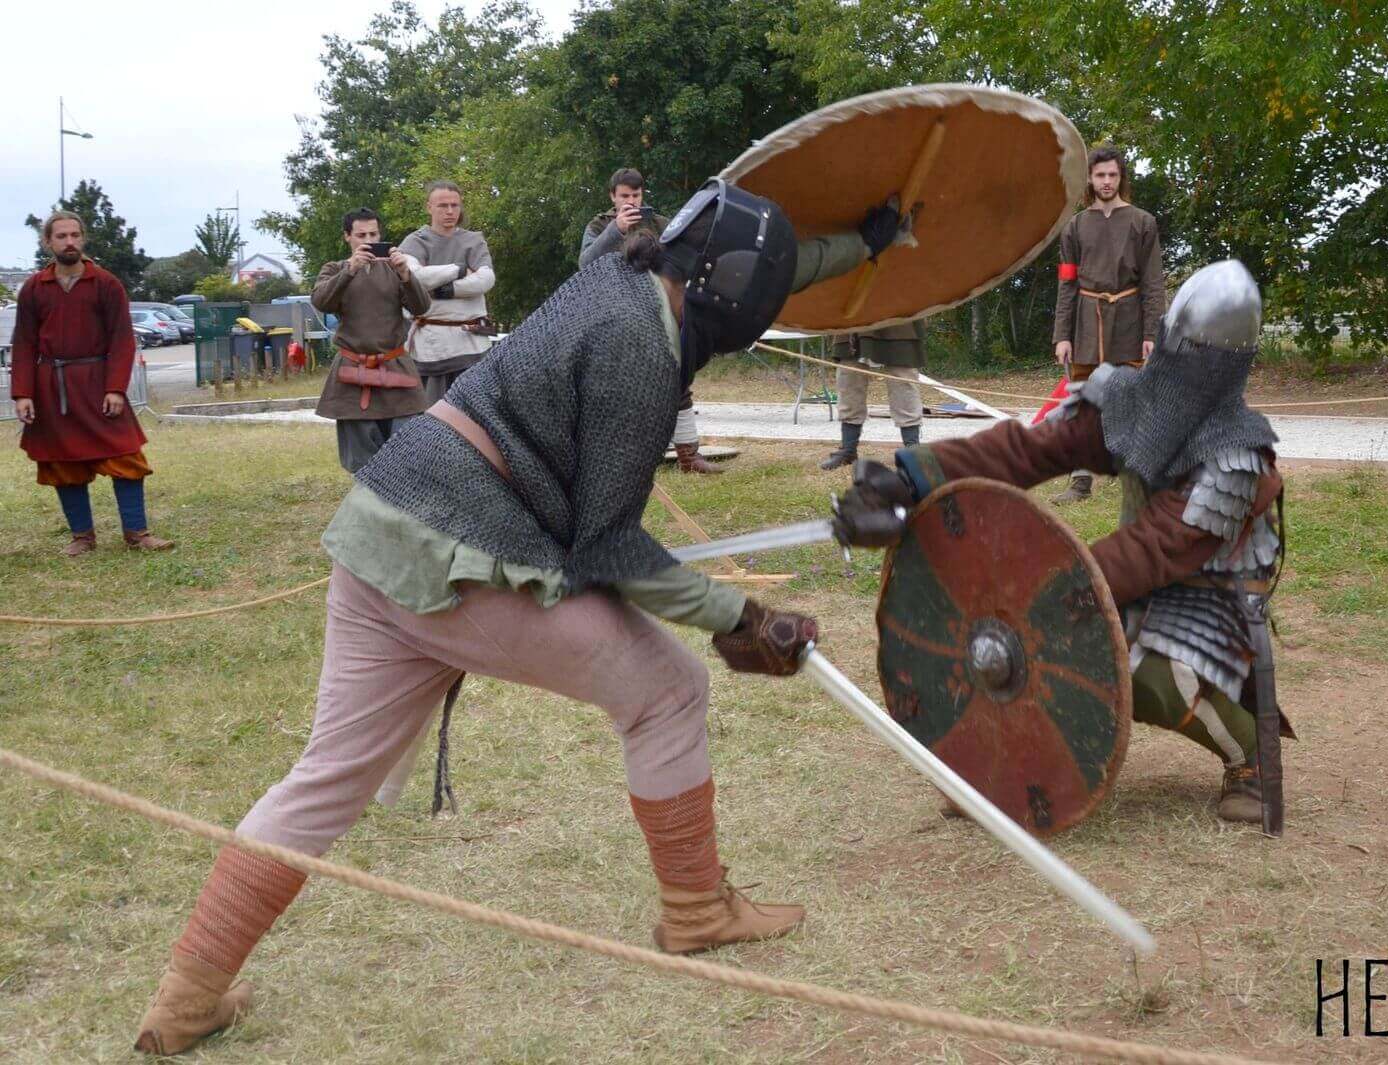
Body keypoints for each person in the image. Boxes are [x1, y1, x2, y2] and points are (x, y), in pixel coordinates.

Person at [132, 181, 902, 1056]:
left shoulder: (618, 269)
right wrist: (739, 615)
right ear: (727, 293)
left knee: (323, 780)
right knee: (670, 691)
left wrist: (865, 243)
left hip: (381, 530)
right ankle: (697, 910)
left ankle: (185, 998)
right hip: (466, 553)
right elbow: (607, 546)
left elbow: (767, 266)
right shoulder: (638, 347)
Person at [836, 260, 1286, 827]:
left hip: (1212, 597)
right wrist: (912, 480)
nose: (1190, 366)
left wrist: (1050, 589)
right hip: (1144, 578)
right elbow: (1030, 451)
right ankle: (1011, 770)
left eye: (1203, 357)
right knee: (1052, 627)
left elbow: (1155, 549)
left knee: (1122, 652)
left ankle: (1252, 757)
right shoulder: (1130, 402)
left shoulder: (1236, 458)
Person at [9, 210, 173, 556]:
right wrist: (23, 393)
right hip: (52, 388)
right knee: (63, 463)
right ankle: (82, 537)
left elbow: (122, 340)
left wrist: (115, 388)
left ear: (83, 238)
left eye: (74, 235)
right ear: (48, 242)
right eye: (61, 236)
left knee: (126, 457)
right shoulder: (35, 288)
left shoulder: (106, 284)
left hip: (98, 384)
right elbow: (23, 342)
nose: (69, 242)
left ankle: (137, 533)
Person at [581, 167, 723, 474]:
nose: (631, 201)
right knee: (622, 387)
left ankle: (689, 456)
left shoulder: (660, 223)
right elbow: (585, 263)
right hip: (617, 315)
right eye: (624, 195)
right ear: (613, 196)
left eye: (636, 194)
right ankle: (625, 460)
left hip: (661, 311)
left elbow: (687, 259)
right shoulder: (599, 225)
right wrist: (616, 230)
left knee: (678, 378)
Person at [1051, 144, 1165, 502]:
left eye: (1112, 175)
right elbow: (1067, 284)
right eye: (1100, 175)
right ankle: (1080, 482)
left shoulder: (1142, 222)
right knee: (1082, 403)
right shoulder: (1074, 227)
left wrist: (1151, 332)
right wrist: (1062, 335)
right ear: (1089, 178)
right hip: (1086, 322)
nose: (1106, 181)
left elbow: (1153, 282)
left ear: (1121, 177)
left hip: (1129, 320)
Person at [310, 208, 432, 474]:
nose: (368, 240)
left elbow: (422, 307)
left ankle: (402, 499)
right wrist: (350, 270)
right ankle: (369, 501)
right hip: (352, 374)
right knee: (362, 464)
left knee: (407, 455)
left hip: (396, 370)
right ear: (347, 236)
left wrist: (406, 275)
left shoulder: (394, 269)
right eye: (361, 235)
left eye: (373, 234)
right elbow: (321, 301)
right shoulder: (334, 269)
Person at [399, 180, 497, 401]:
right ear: (429, 207)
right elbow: (415, 277)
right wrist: (459, 269)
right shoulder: (415, 242)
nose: (450, 211)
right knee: (434, 413)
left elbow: (485, 280)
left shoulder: (473, 241)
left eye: (455, 205)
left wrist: (444, 291)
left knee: (475, 411)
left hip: (473, 345)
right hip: (432, 348)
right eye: (443, 205)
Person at [818, 322, 926, 471]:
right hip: (854, 319)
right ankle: (848, 450)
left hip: (898, 317)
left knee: (903, 381)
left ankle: (913, 452)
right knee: (849, 378)